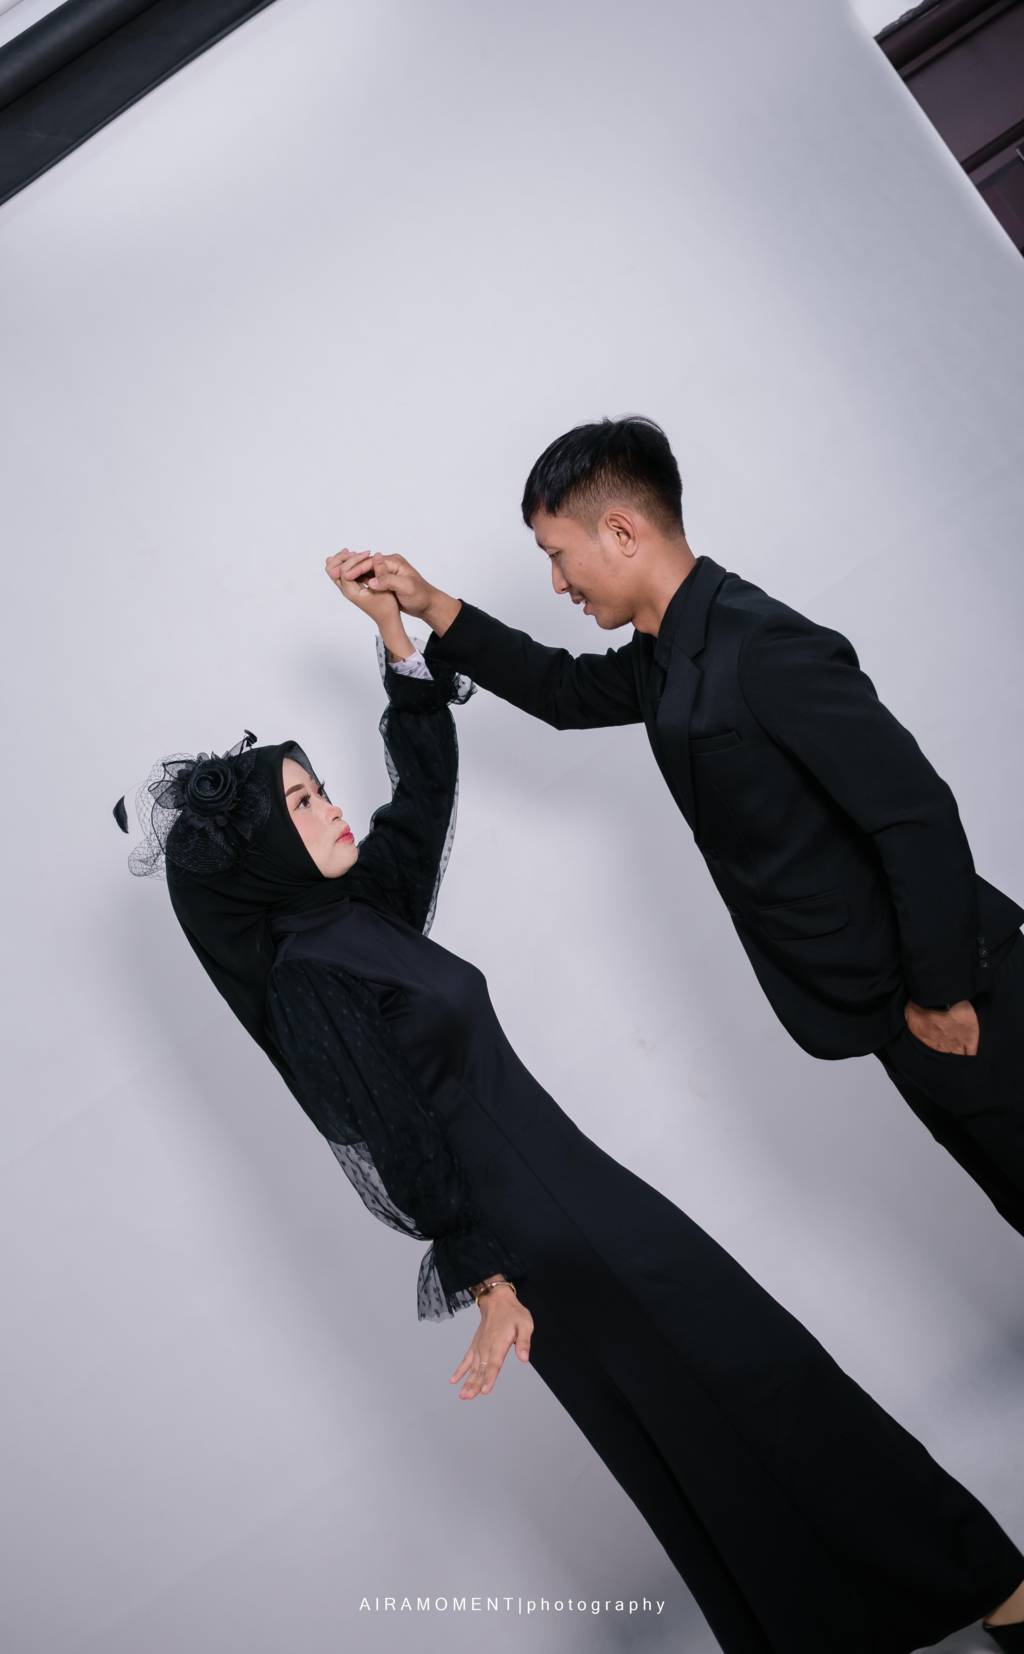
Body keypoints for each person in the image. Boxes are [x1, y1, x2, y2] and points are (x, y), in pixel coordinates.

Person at [113, 555, 1024, 1654]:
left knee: (717, 1415)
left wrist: (400, 645)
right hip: (544, 1237)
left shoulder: (357, 916)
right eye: (302, 802)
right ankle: (992, 1588)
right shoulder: (310, 977)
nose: (330, 805)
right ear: (259, 848)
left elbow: (421, 803)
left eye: (317, 786)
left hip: (568, 1205)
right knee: (764, 1379)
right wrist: (488, 1280)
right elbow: (392, 1137)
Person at [355, 414, 1024, 1244]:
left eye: (558, 555)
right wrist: (429, 605)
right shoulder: (668, 650)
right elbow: (562, 692)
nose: (558, 584)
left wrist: (944, 992)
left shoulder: (761, 644)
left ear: (621, 532)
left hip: (967, 996)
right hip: (897, 1006)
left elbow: (914, 814)